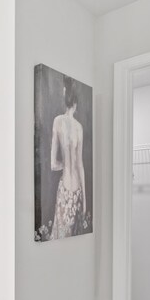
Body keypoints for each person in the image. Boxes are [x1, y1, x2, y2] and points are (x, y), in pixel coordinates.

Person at [50, 76, 86, 239]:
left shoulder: (58, 121)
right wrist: (85, 200)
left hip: (65, 189)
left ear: (65, 95)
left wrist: (64, 164)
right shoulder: (79, 127)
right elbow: (80, 165)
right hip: (77, 190)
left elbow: (52, 164)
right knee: (74, 239)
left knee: (60, 238)